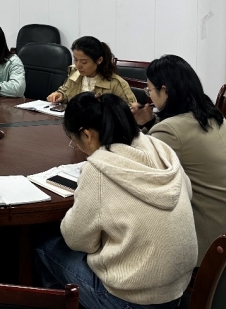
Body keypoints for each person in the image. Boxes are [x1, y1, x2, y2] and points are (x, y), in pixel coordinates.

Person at [35, 93, 197, 309]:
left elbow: (78, 240)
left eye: (75, 140)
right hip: (176, 289)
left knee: (44, 245)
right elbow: (188, 192)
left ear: (87, 134)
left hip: (132, 300)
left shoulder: (97, 170)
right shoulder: (160, 148)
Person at [131, 55, 226, 265]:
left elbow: (137, 166)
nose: (149, 97)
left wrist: (134, 126)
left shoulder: (170, 130)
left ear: (165, 90)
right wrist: (150, 123)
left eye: (150, 90)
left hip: (208, 246)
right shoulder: (211, 114)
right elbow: (175, 140)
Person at [47, 36, 136, 106]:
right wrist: (60, 95)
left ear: (99, 60)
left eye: (84, 62)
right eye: (76, 60)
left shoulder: (116, 83)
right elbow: (65, 92)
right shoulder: (75, 73)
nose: (78, 65)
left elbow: (130, 111)